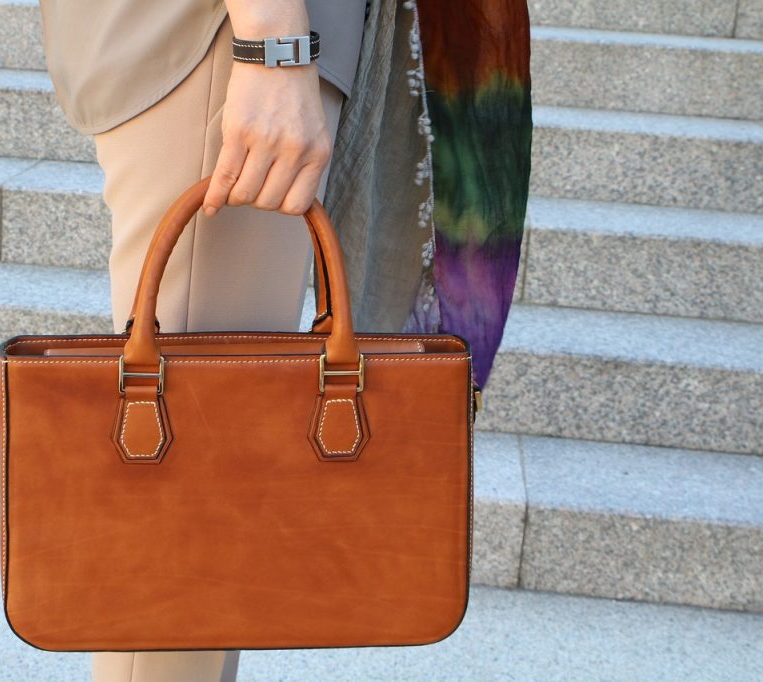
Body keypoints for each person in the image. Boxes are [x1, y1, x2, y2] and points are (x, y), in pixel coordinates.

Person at [36, 1, 531, 679]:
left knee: (209, 524)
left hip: (250, 39)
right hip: (239, 36)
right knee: (185, 526)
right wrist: (274, 47)